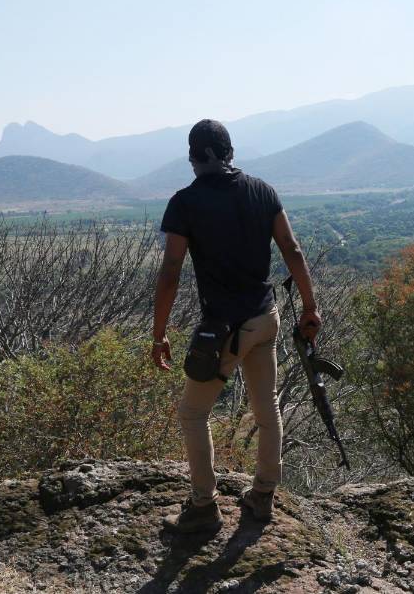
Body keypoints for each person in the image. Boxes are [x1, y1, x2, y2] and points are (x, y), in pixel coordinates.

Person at [152, 119, 321, 533]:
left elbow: (171, 271)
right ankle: (262, 495)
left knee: (193, 413)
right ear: (230, 152)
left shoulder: (185, 203)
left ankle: (203, 507)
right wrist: (310, 307)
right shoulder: (263, 191)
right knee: (268, 408)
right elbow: (292, 249)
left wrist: (159, 334)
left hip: (226, 327)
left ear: (193, 158)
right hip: (266, 317)